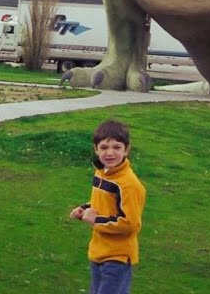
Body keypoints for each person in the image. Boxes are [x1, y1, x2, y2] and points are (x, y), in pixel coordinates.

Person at [69, 119, 147, 294]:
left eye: (117, 147)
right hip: (98, 252)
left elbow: (130, 224)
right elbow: (103, 203)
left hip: (117, 257)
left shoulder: (129, 185)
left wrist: (96, 220)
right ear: (95, 149)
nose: (110, 153)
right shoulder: (102, 173)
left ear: (126, 149)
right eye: (104, 147)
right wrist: (84, 209)